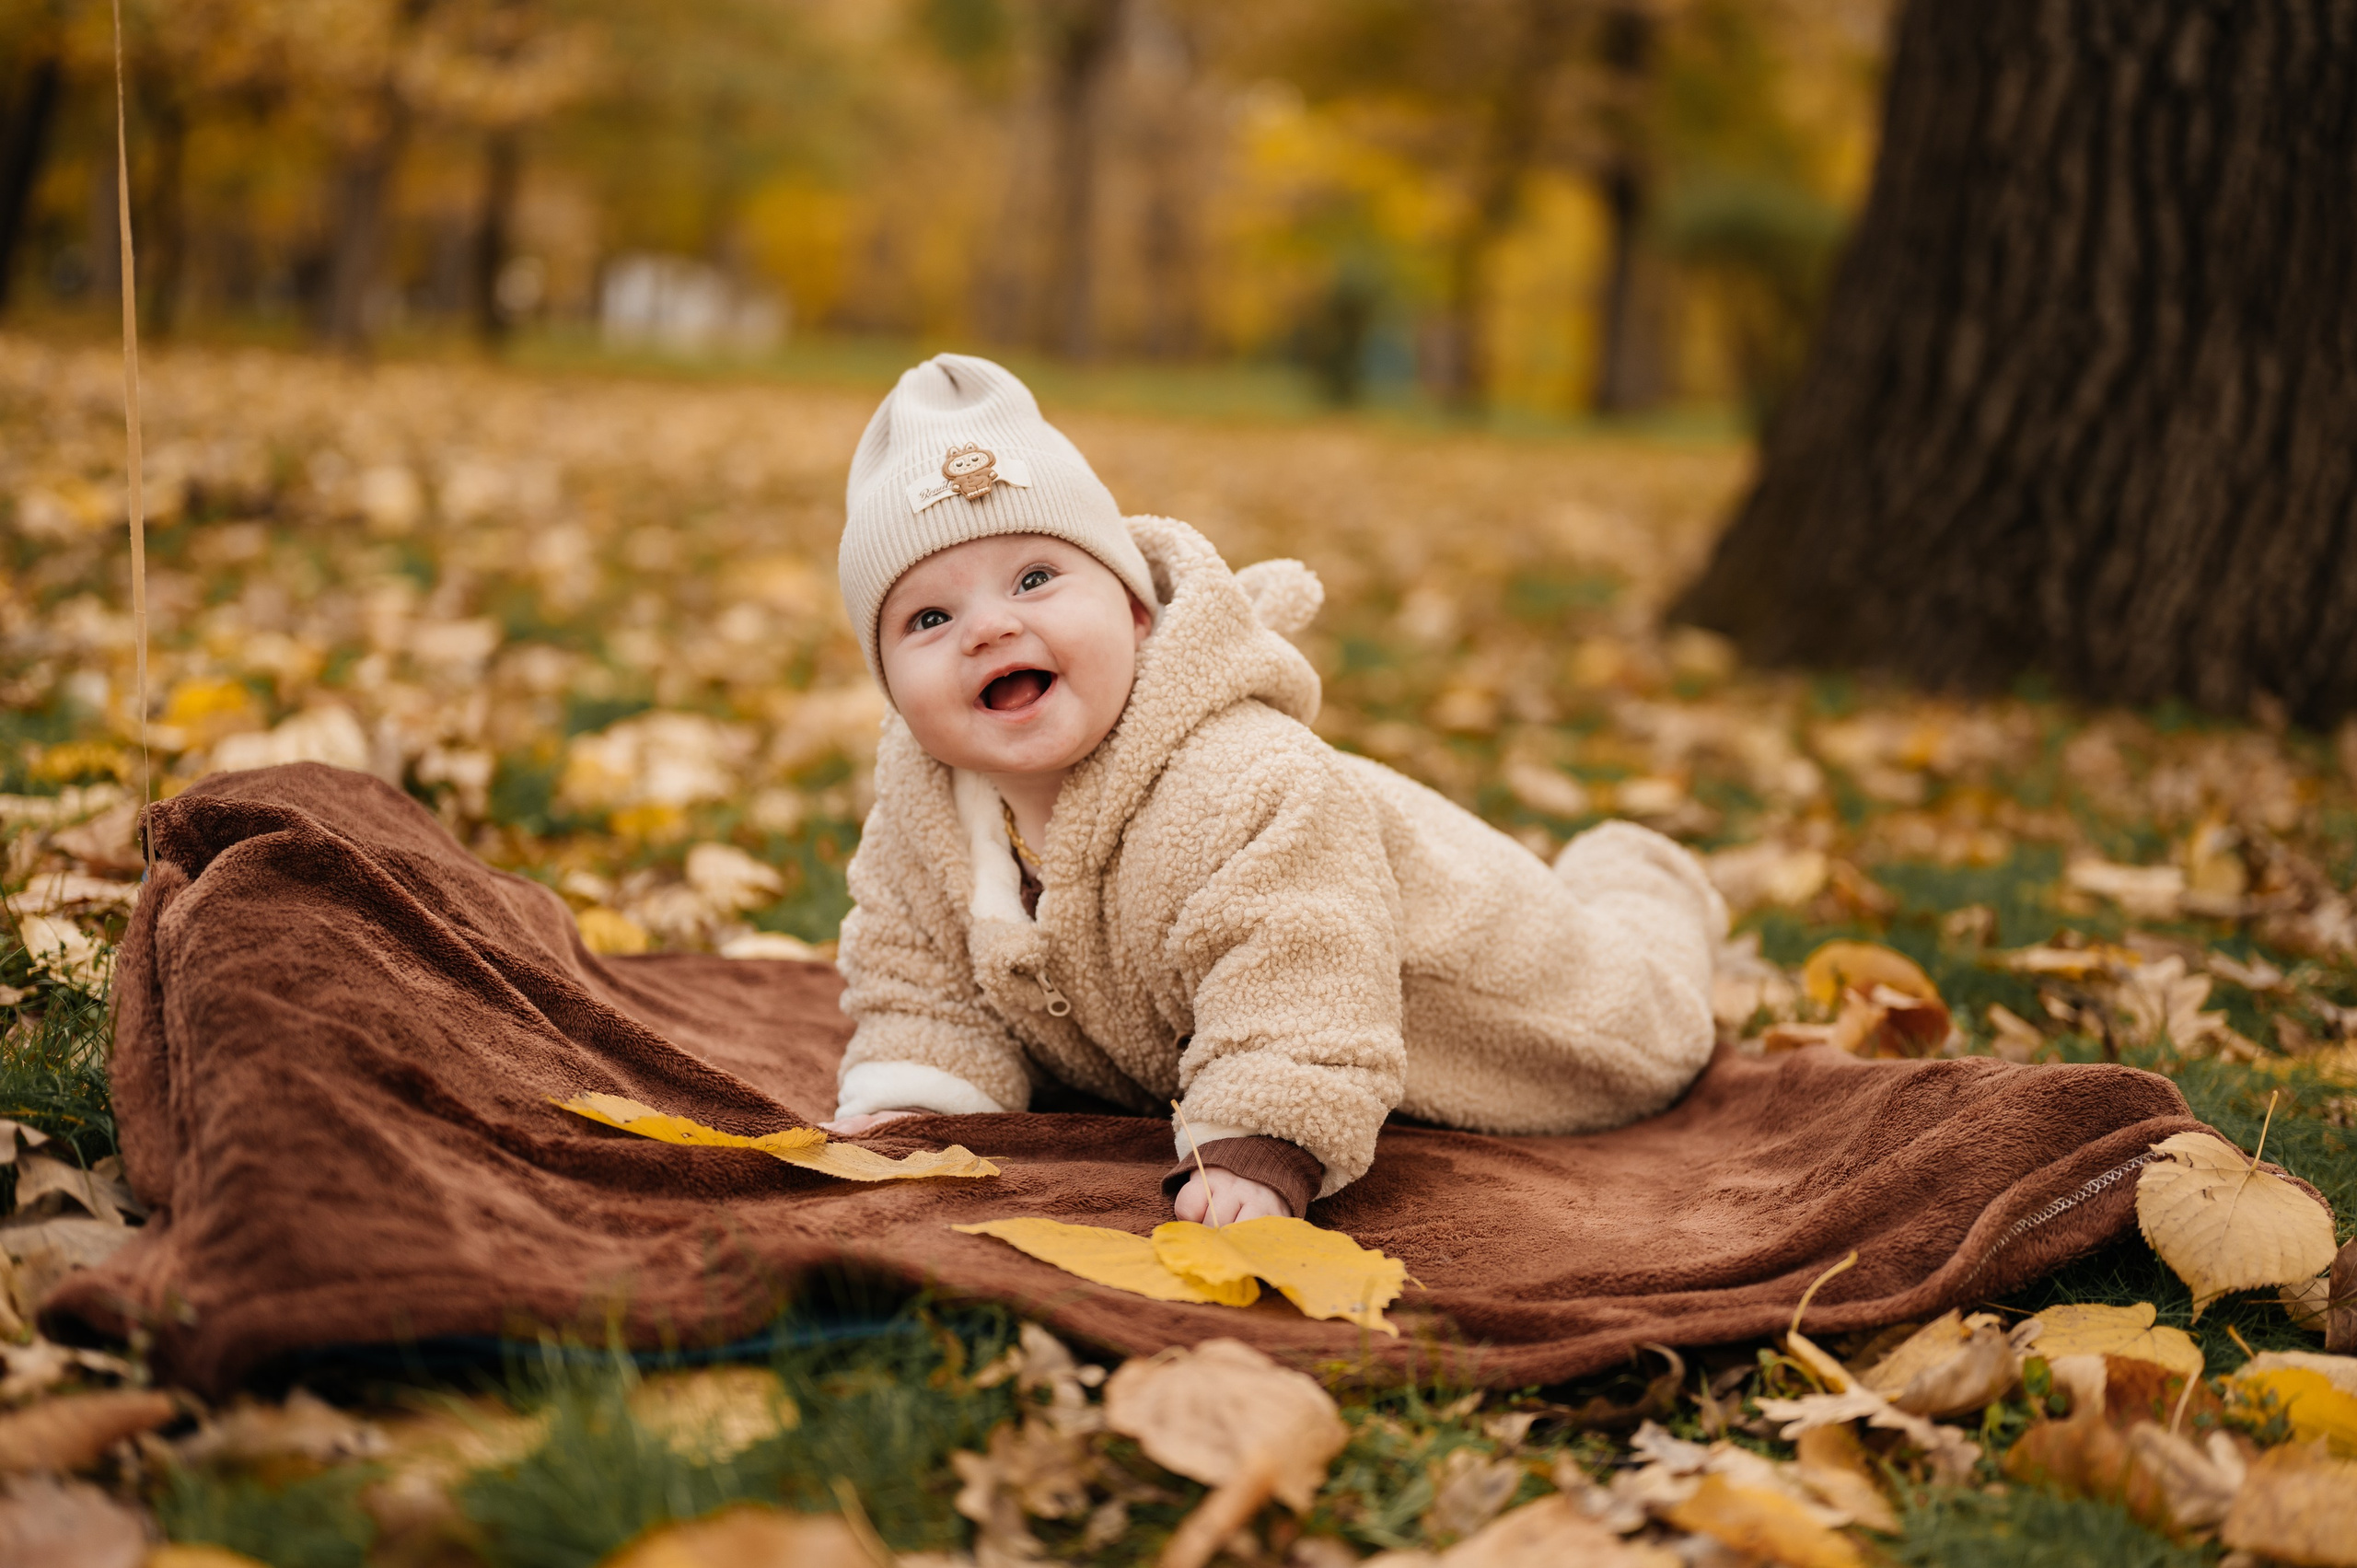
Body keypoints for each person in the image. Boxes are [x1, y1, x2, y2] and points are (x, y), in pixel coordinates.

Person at [819, 354, 1727, 1225]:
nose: (990, 625)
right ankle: (1607, 869)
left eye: (1035, 577)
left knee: (1655, 1019)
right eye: (929, 617)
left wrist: (1260, 1131)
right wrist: (919, 1095)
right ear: (890, 683)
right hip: (1282, 983)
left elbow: (1300, 959)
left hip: (1512, 986)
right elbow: (916, 976)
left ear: (1136, 612)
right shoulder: (920, 821)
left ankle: (1644, 872)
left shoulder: (1247, 781)